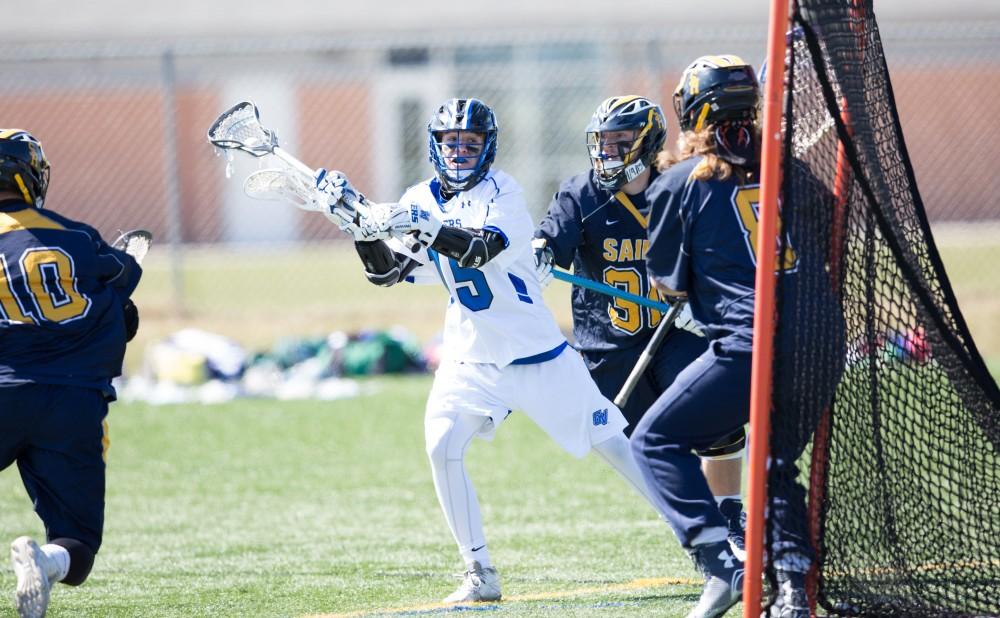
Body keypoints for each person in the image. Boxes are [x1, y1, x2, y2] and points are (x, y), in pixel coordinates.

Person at [313, 97, 676, 604]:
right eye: (450, 143)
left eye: (469, 143)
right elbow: (386, 273)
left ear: (488, 149)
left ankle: (705, 541)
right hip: (469, 355)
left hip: (534, 353)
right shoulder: (421, 195)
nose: (459, 152)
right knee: (441, 446)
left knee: (613, 444)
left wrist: (418, 223)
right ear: (435, 148)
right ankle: (479, 571)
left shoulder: (503, 191)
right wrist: (357, 226)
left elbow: (479, 249)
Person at [532, 95, 748, 558]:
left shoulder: (675, 187)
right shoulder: (582, 194)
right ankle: (704, 531)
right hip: (609, 347)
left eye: (620, 141)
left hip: (675, 333)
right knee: (652, 449)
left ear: (647, 142)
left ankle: (730, 519)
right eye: (603, 142)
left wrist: (700, 301)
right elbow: (552, 235)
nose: (608, 152)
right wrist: (542, 253)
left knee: (719, 416)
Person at [629, 55, 766, 618]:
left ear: (691, 110)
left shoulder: (679, 181)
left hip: (749, 345)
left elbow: (668, 281)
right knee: (776, 463)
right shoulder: (787, 168)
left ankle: (720, 566)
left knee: (653, 440)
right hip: (819, 342)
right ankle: (790, 581)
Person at [0, 129, 142, 618]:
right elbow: (122, 281)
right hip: (71, 400)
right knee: (76, 546)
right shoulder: (75, 235)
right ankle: (45, 560)